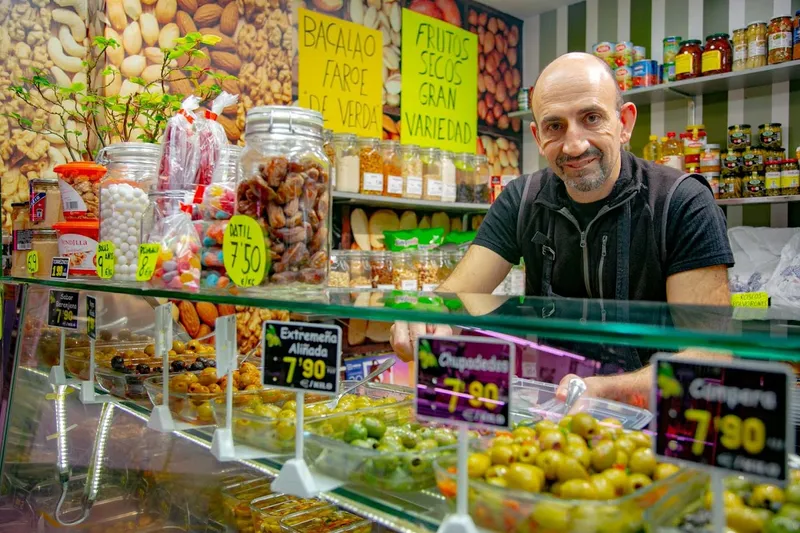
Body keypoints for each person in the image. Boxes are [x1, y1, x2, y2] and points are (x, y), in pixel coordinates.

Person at [390, 52, 734, 405]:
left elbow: (711, 357)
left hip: (656, 418)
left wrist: (606, 390)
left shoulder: (682, 202)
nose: (574, 144)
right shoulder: (521, 199)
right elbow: (454, 298)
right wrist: (424, 318)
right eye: (555, 126)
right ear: (538, 137)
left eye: (591, 117)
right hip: (549, 412)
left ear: (625, 123)